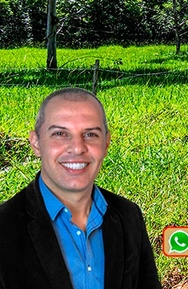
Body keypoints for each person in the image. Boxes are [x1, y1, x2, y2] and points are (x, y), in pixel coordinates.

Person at [0, 87, 161, 289]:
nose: (77, 148)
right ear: (36, 143)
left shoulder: (128, 216)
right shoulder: (5, 227)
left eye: (91, 134)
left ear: (106, 143)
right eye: (60, 133)